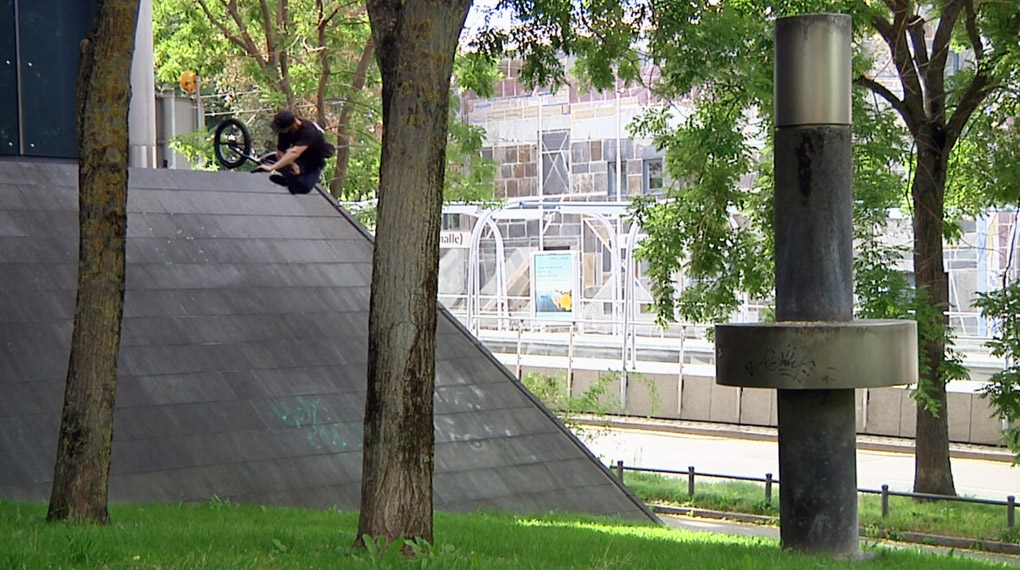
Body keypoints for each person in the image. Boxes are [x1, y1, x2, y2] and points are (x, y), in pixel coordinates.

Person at [258, 110, 331, 195]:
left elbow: (295, 152)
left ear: (292, 125)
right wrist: (291, 164)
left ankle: (290, 181)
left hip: (314, 161)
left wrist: (272, 167)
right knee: (290, 167)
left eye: (282, 129)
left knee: (304, 187)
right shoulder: (285, 131)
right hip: (299, 158)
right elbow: (280, 153)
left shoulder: (309, 131)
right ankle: (288, 176)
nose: (281, 132)